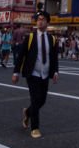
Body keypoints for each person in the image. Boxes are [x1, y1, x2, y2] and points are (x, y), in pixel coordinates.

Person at [11, 10, 59, 138]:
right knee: (35, 98)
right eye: (38, 19)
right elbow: (21, 56)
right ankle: (35, 128)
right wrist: (16, 72)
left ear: (47, 22)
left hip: (45, 73)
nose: (40, 21)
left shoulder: (52, 39)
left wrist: (55, 72)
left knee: (42, 100)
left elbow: (54, 58)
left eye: (43, 19)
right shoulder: (30, 37)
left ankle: (27, 112)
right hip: (32, 73)